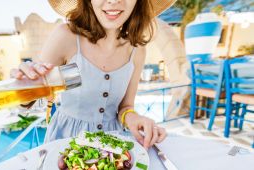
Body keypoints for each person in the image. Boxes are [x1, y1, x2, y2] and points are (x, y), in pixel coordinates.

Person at [11, 0, 176, 149]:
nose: (113, 1)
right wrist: (22, 82)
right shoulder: (66, 37)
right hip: (65, 144)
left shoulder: (137, 51)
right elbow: (29, 100)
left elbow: (125, 107)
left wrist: (134, 118)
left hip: (112, 147)